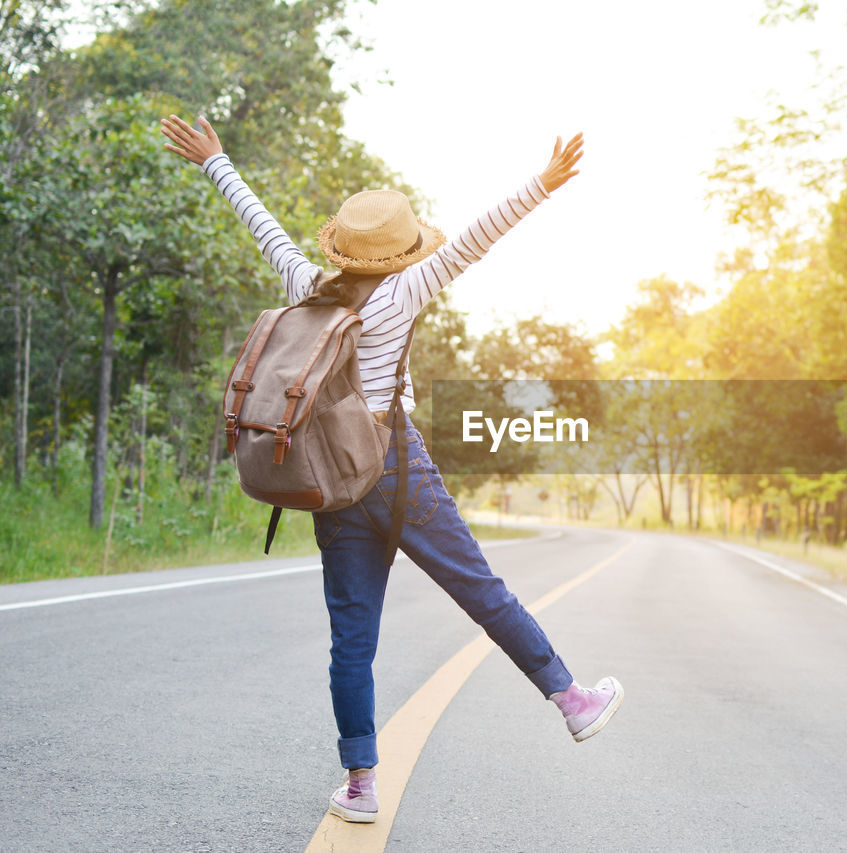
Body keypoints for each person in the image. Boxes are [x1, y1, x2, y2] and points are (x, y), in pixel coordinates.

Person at [159, 115, 622, 824]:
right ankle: (570, 698)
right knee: (483, 592)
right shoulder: (405, 290)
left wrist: (216, 161)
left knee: (352, 637)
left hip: (333, 482)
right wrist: (544, 184)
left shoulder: (308, 281)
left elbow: (263, 225)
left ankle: (360, 784)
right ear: (400, 253)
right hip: (399, 468)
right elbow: (476, 237)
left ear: (342, 249)